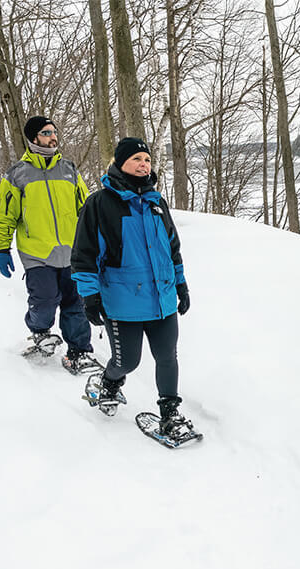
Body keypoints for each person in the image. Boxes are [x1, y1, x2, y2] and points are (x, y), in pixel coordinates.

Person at [71, 137, 192, 435]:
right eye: (137, 159)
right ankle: (110, 381)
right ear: (120, 163)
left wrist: (181, 285)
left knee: (167, 357)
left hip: (161, 297)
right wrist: (90, 296)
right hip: (122, 301)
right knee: (128, 361)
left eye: (147, 160)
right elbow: (84, 255)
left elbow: (172, 248)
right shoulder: (100, 204)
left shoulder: (157, 203)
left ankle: (170, 413)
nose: (143, 165)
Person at [0, 115, 100, 374]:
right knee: (44, 301)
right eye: (45, 132)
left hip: (72, 252)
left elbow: (86, 209)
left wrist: (95, 242)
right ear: (33, 138)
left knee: (75, 304)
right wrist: (3, 248)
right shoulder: (17, 174)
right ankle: (40, 332)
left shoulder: (69, 169)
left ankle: (79, 351)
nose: (53, 136)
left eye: (54, 131)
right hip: (36, 252)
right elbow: (6, 214)